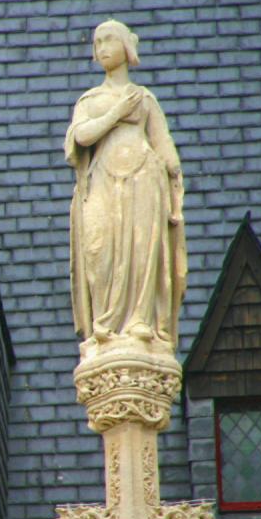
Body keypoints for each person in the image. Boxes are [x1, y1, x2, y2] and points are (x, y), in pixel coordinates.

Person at [65, 20, 186, 349]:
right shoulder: (91, 100)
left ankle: (138, 321)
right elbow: (82, 135)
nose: (101, 48)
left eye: (108, 40)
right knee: (98, 250)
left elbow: (163, 143)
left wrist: (174, 172)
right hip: (103, 180)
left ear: (125, 46)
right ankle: (104, 322)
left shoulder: (144, 100)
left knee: (141, 248)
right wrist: (117, 113)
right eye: (97, 42)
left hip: (144, 180)